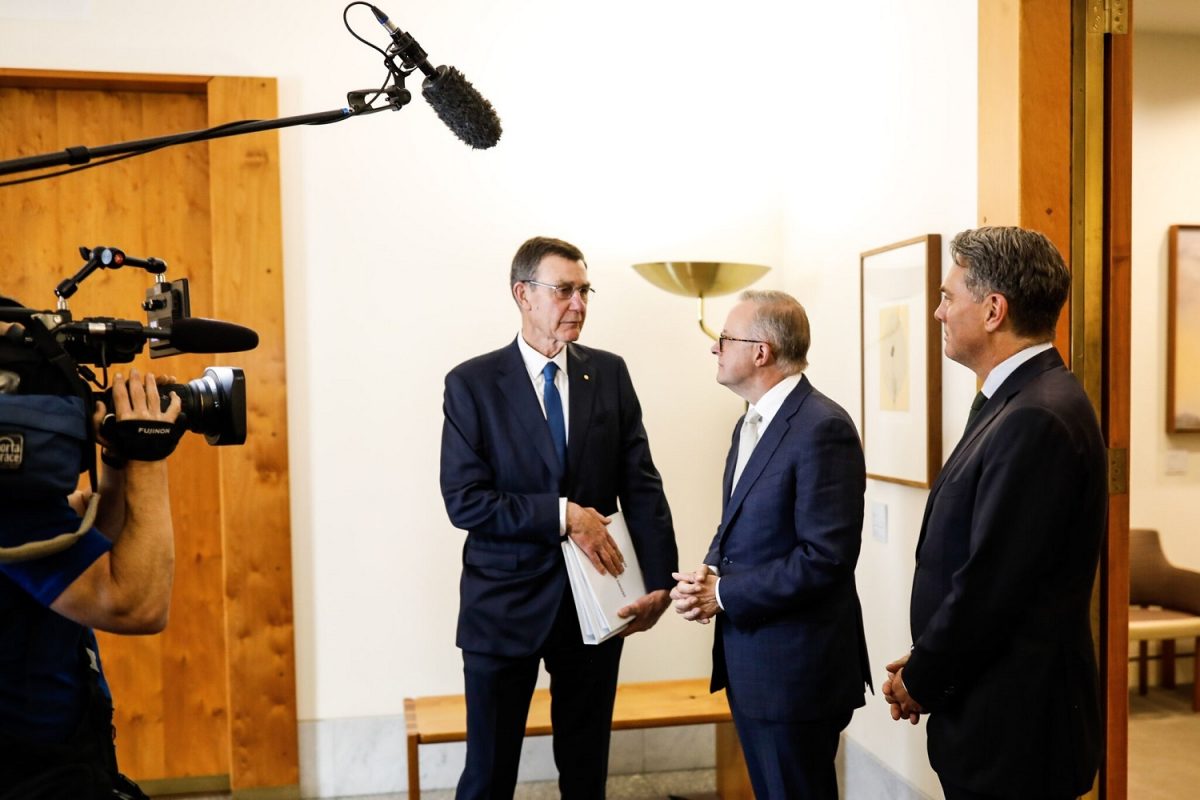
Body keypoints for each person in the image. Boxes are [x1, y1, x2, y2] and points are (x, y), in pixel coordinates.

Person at [439, 236, 678, 799]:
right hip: (502, 607)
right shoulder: (471, 384)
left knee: (586, 765)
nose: (579, 304)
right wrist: (562, 515)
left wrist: (662, 584)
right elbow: (464, 500)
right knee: (488, 775)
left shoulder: (610, 374)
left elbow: (641, 484)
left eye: (584, 290)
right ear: (523, 294)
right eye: (564, 290)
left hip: (594, 604)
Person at [882, 226, 1107, 799]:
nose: (936, 313)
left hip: (1017, 726)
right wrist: (929, 656)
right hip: (991, 705)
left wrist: (923, 679)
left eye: (946, 297)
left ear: (992, 310)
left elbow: (993, 584)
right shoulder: (1019, 399)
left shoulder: (1037, 414)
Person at [670, 290, 871, 799]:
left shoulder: (823, 427)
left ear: (761, 351)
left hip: (797, 672)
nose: (714, 349)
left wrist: (724, 595)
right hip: (754, 662)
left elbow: (825, 559)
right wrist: (706, 575)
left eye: (724, 339)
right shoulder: (749, 421)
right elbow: (736, 521)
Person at [0, 314, 182, 798]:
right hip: (31, 776)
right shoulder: (11, 510)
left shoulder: (27, 508)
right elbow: (136, 604)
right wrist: (149, 454)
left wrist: (120, 460)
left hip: (56, 760)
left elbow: (85, 532)